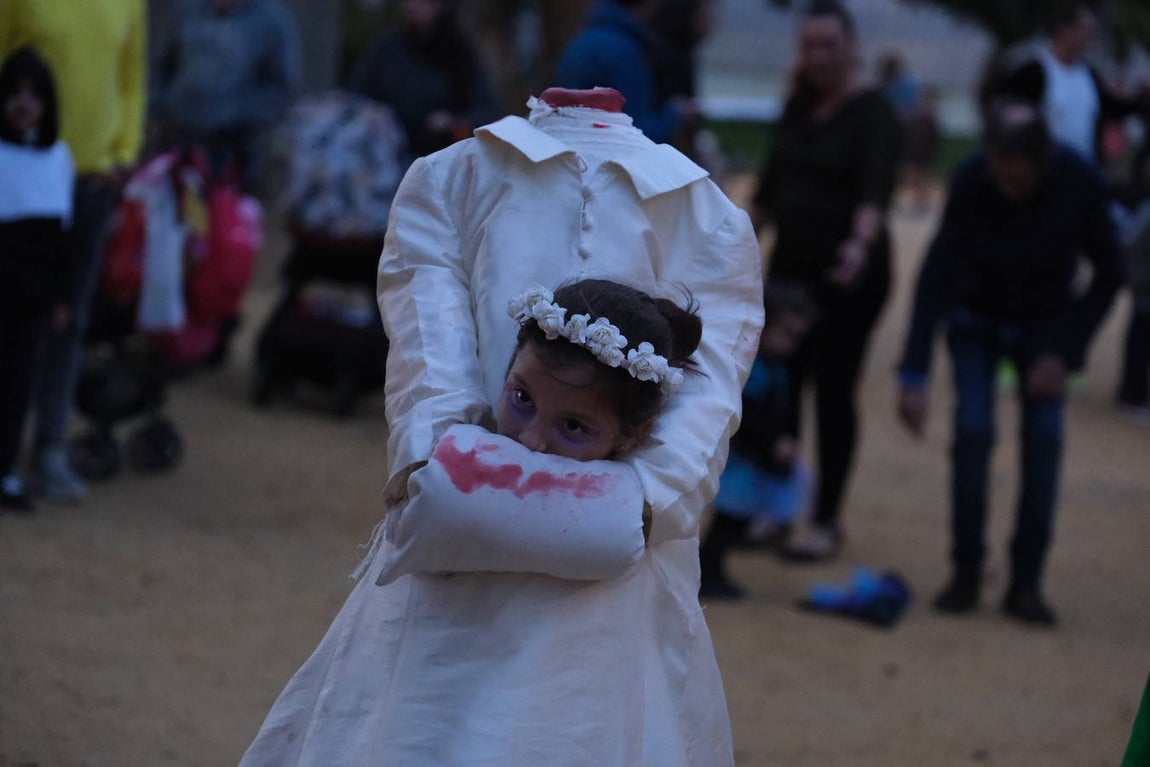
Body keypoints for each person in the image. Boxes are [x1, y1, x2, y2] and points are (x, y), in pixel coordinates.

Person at [240, 86, 763, 765]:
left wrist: (451, 474)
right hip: (493, 539)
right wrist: (630, 501)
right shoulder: (452, 176)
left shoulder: (706, 216)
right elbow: (431, 360)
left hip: (560, 556)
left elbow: (698, 409)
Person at [241, 280, 739, 764]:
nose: (531, 441)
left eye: (573, 427)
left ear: (634, 435)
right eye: (521, 399)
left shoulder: (626, 522)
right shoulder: (448, 479)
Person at [896, 101, 1125, 627]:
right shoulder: (973, 177)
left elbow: (1110, 275)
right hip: (974, 321)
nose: (1008, 189)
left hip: (1046, 330)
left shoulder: (1079, 182)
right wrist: (914, 372)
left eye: (1019, 180)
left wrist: (1065, 354)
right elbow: (937, 269)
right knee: (972, 434)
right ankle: (966, 571)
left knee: (1043, 445)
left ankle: (1026, 582)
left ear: (1045, 162)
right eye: (1000, 176)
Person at [750, 0, 901, 561]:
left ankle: (825, 519)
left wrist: (858, 246)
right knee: (779, 388)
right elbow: (769, 188)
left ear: (851, 46)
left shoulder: (874, 111)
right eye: (809, 46)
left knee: (833, 391)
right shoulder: (797, 104)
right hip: (789, 274)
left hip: (847, 278)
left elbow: (874, 192)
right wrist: (731, 243)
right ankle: (775, 507)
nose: (818, 56)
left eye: (828, 45)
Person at [0, 0, 146, 503]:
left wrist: (123, 153)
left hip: (89, 181)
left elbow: (131, 80)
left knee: (68, 318)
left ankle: (49, 445)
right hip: (19, 172)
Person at [699, 281, 816, 600]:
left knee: (735, 521)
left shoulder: (772, 366)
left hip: (751, 460)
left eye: (798, 337)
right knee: (729, 521)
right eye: (786, 333)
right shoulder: (755, 370)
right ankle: (709, 574)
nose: (792, 344)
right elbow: (747, 416)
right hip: (742, 462)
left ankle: (712, 572)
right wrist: (772, 442)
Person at [0, 48, 74, 512]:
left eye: (33, 95)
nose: (23, 104)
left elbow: (62, 236)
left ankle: (6, 469)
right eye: (14, 94)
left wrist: (60, 298)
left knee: (17, 387)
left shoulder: (58, 158)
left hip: (31, 299)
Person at [151, 0, 302, 191]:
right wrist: (162, 105)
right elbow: (165, 65)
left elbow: (282, 90)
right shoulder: (188, 10)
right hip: (177, 139)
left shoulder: (272, 21)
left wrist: (235, 113)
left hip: (232, 148)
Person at [990, 2, 1147, 165]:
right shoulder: (1036, 71)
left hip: (1082, 166)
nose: (1090, 37)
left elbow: (1110, 107)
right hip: (1045, 167)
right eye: (1085, 30)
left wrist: (1140, 100)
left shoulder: (1088, 75)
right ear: (1064, 30)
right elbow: (1007, 108)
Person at [348, 0, 496, 159]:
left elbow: (486, 112)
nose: (414, 5)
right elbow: (355, 98)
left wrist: (453, 122)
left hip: (439, 156)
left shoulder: (461, 54)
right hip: (388, 154)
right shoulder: (386, 49)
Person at [554, 0, 696, 144]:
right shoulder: (624, 52)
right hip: (604, 151)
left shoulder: (581, 41)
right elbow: (636, 132)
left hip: (572, 148)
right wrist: (674, 115)